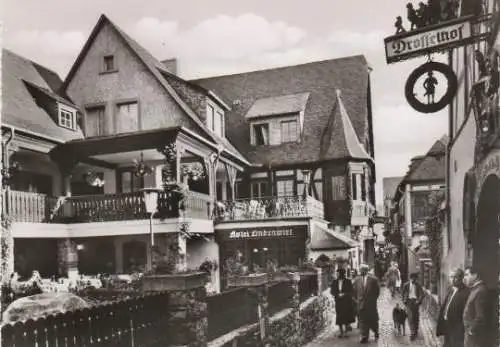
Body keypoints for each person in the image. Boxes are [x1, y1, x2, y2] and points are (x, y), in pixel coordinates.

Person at [436, 268, 470, 347]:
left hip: (457, 329)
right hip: (447, 325)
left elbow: (466, 313)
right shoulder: (451, 289)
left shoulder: (466, 292)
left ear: (461, 278)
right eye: (451, 277)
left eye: (455, 277)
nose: (453, 279)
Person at [353, 264, 380, 343]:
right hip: (361, 304)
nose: (360, 271)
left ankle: (376, 331)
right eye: (360, 270)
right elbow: (354, 291)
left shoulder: (373, 280)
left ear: (366, 270)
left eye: (361, 270)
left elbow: (377, 292)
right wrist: (356, 300)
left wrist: (373, 300)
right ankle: (364, 336)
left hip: (371, 304)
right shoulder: (357, 280)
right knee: (362, 320)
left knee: (373, 320)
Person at [463, 266, 489, 347]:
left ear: (475, 275)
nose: (464, 278)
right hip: (470, 336)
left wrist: (472, 330)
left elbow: (480, 316)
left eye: (467, 275)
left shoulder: (480, 290)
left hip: (474, 338)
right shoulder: (475, 289)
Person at [330, 268, 356, 338]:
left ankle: (346, 332)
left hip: (346, 302)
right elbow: (332, 291)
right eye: (337, 274)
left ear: (342, 274)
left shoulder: (348, 281)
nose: (337, 275)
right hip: (338, 301)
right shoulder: (334, 282)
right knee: (339, 317)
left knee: (346, 317)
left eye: (338, 273)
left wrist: (344, 294)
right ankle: (341, 332)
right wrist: (337, 294)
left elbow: (351, 291)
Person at [402, 272, 424, 341]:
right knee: (410, 317)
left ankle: (416, 329)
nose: (414, 280)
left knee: (416, 317)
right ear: (410, 278)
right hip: (408, 302)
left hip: (415, 302)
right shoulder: (406, 285)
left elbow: (422, 294)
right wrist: (404, 300)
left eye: (415, 279)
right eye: (413, 279)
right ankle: (412, 332)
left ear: (416, 279)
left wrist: (419, 300)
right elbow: (402, 293)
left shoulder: (418, 285)